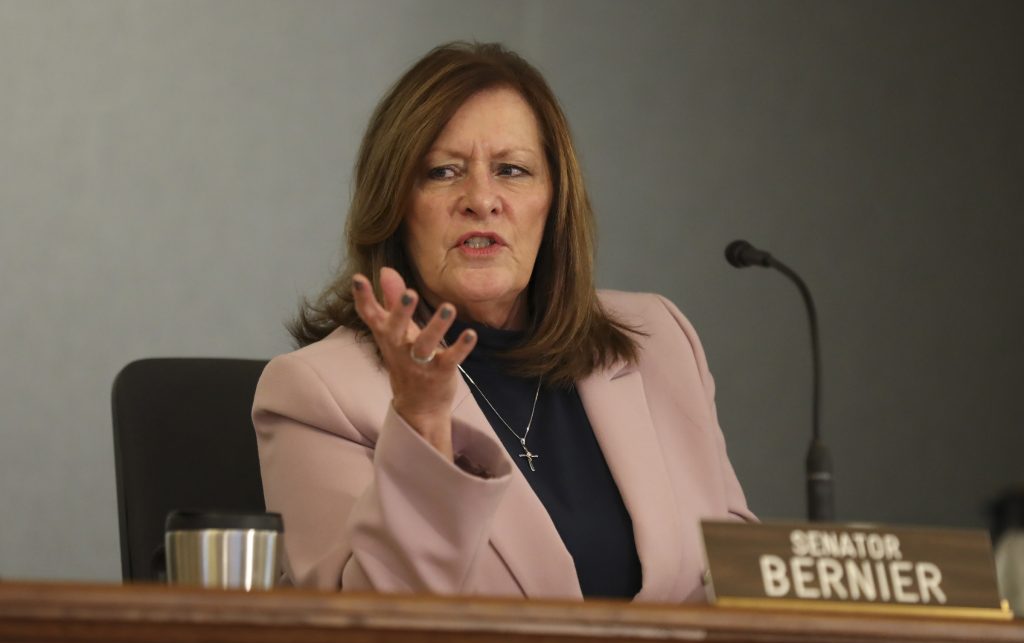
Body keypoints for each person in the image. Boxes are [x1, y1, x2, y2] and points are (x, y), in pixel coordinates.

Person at [252, 41, 754, 603]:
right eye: (443, 172)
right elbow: (365, 636)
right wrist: (422, 423)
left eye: (512, 170)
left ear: (554, 201)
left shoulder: (657, 340)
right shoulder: (317, 394)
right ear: (394, 204)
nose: (482, 199)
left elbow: (736, 577)